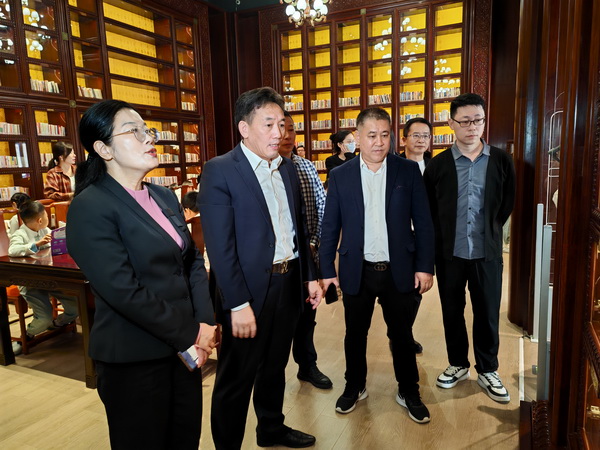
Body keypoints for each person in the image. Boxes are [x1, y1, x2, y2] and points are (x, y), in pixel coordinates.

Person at [66, 99, 216, 449]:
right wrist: (192, 331)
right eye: (133, 131)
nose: (149, 138)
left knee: (185, 439)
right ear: (104, 149)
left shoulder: (164, 196)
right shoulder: (90, 207)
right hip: (134, 358)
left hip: (184, 351)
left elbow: (192, 260)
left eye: (146, 130)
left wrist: (206, 320)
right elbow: (123, 290)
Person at [199, 87, 322, 449]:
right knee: (236, 378)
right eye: (268, 124)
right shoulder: (220, 170)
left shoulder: (287, 169)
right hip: (247, 294)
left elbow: (298, 228)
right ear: (244, 128)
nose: (278, 133)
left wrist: (310, 277)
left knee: (274, 366)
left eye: (281, 124)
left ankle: (271, 428)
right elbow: (220, 248)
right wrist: (237, 304)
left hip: (288, 283)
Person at [320, 107, 435, 424]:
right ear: (357, 137)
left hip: (399, 269)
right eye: (371, 135)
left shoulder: (407, 171)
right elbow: (330, 227)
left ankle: (409, 390)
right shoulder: (340, 175)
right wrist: (327, 271)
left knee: (402, 334)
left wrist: (425, 266)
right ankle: (354, 386)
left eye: (385, 135)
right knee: (355, 333)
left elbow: (423, 222)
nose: (379, 142)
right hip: (356, 269)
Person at [423, 93, 516, 403]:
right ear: (451, 124)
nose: (472, 127)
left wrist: (490, 232)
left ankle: (488, 369)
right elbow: (429, 210)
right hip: (449, 254)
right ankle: (458, 364)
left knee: (487, 312)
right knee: (452, 311)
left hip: (486, 253)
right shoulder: (438, 165)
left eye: (478, 120)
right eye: (464, 121)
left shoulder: (501, 160)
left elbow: (506, 204)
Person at [280, 111, 331, 389]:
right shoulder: (265, 168)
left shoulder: (307, 166)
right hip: (280, 257)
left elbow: (323, 207)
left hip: (308, 254)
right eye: (282, 128)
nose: (287, 135)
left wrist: (315, 244)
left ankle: (307, 365)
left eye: (291, 129)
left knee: (307, 314)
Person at [8, 200, 79, 355]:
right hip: (30, 282)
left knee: (76, 307)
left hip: (49, 278)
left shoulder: (44, 229)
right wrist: (37, 244)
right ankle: (27, 335)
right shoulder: (20, 234)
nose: (47, 218)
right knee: (43, 319)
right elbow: (13, 250)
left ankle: (57, 324)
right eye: (46, 215)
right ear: (40, 220)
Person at [399, 117, 434, 354]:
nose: (421, 140)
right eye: (416, 135)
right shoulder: (393, 166)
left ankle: (403, 334)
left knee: (417, 290)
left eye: (425, 136)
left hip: (423, 238)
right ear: (404, 139)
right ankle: (400, 335)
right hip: (398, 239)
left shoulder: (435, 168)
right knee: (399, 292)